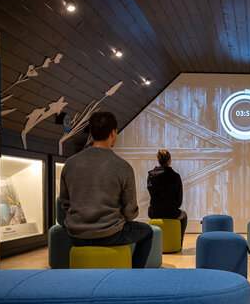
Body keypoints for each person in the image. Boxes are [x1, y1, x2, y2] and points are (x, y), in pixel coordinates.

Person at [60, 111, 154, 268]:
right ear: (113, 132)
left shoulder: (70, 163)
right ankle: (136, 276)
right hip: (110, 234)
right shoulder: (122, 166)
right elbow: (130, 212)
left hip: (76, 235)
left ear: (91, 132)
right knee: (147, 232)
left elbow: (65, 203)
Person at [147, 149, 188, 243]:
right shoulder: (175, 176)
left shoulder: (151, 175)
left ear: (159, 160)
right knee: (184, 216)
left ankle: (155, 244)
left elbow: (151, 193)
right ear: (169, 160)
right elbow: (179, 199)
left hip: (154, 212)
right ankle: (179, 242)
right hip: (171, 212)